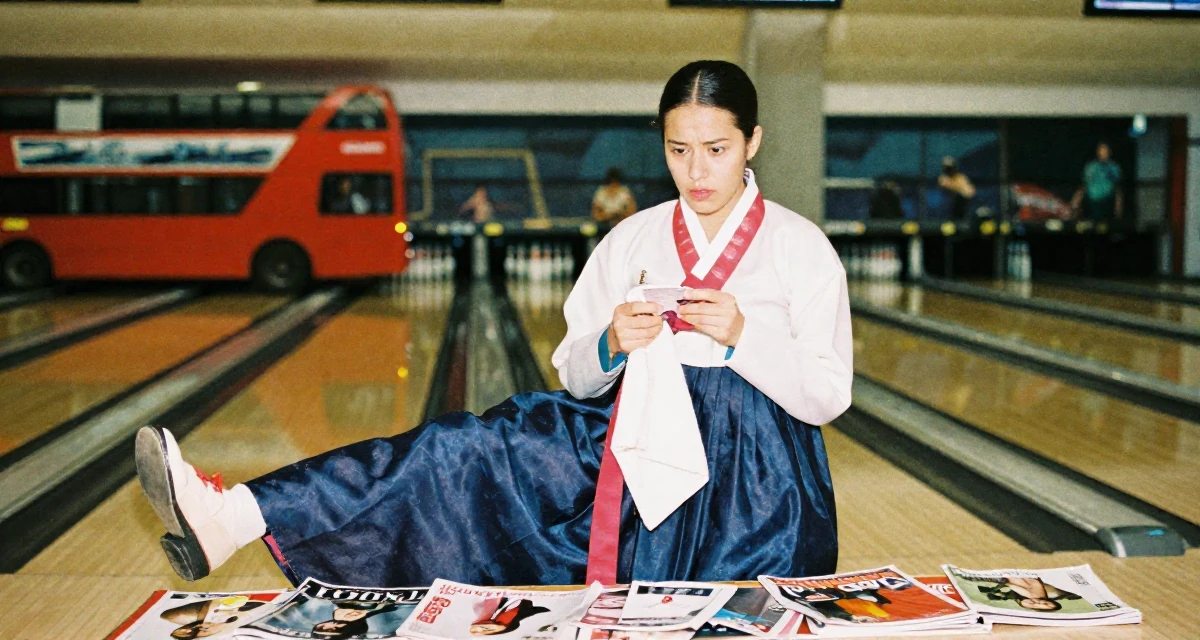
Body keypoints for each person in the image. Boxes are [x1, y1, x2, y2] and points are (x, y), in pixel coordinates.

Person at [133, 60, 852, 588]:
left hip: (757, 482)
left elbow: (827, 396)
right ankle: (233, 516)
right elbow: (574, 370)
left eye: (716, 150)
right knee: (459, 448)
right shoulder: (630, 239)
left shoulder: (799, 247)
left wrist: (743, 336)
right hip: (631, 442)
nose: (695, 171)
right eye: (677, 149)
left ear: (753, 141)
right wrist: (609, 345)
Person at [1071, 142, 1123, 221]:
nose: (1103, 153)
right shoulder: (1090, 167)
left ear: (1109, 152)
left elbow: (1117, 189)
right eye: (1101, 150)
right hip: (1091, 203)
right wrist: (1076, 201)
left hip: (1107, 203)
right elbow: (1084, 185)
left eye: (1105, 151)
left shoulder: (1114, 168)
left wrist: (1118, 206)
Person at [936, 156, 975, 220]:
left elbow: (970, 192)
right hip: (946, 210)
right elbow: (945, 185)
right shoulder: (943, 178)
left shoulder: (961, 177)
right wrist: (960, 189)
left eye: (950, 168)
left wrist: (962, 190)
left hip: (960, 209)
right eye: (946, 168)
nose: (948, 170)